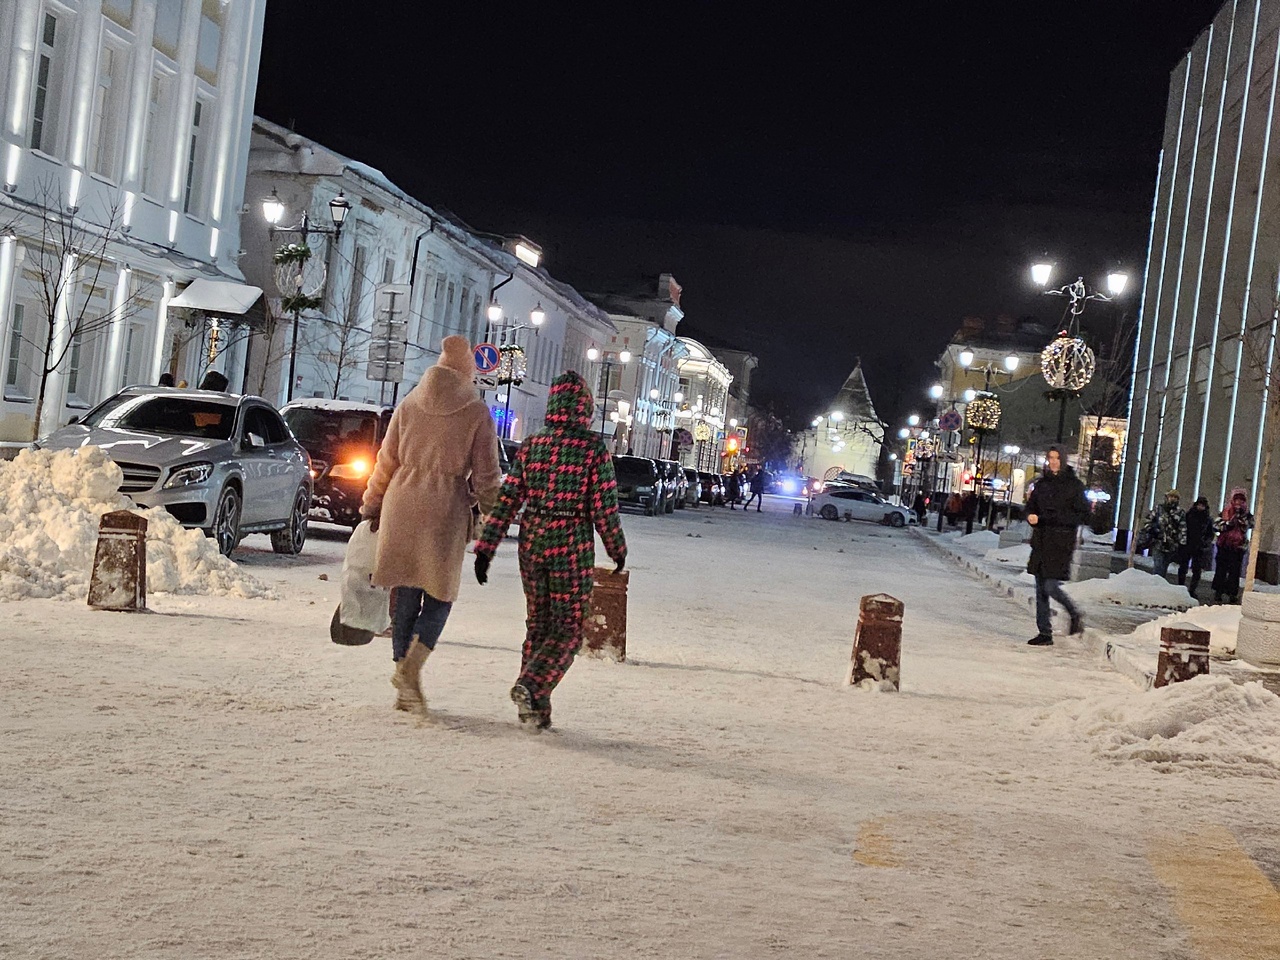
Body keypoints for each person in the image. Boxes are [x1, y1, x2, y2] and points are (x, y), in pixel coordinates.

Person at [474, 371, 626, 730]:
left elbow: (509, 498)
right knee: (569, 628)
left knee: (538, 624)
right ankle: (533, 684)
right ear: (584, 408)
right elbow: (604, 508)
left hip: (532, 539)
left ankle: (534, 710)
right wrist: (616, 548)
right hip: (570, 542)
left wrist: (486, 547)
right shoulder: (592, 450)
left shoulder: (532, 445)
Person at [360, 336, 502, 713]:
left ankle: (401, 679)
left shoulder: (409, 405)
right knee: (440, 595)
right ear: (468, 372)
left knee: (405, 592)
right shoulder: (477, 413)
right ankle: (411, 671)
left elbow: (385, 461)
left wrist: (372, 503)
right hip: (445, 509)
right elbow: (487, 478)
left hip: (400, 503)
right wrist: (495, 514)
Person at [1024, 447, 1089, 646]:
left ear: (1063, 459)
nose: (1053, 462)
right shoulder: (1041, 484)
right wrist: (1030, 516)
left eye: (1057, 458)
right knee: (1040, 589)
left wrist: (1046, 517)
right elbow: (1031, 506)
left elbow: (1082, 514)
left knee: (1050, 586)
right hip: (1041, 540)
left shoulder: (1074, 486)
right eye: (1050, 458)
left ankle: (1074, 612)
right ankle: (1044, 632)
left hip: (1060, 542)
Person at [1211, 487, 1255, 604]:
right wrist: (1227, 525)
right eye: (1237, 499)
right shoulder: (1226, 511)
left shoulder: (1246, 514)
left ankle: (1232, 593)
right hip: (1224, 545)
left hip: (1238, 548)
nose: (1239, 503)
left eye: (1241, 500)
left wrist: (1242, 519)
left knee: (1234, 572)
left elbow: (1251, 524)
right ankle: (1218, 591)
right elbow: (1215, 525)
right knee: (1221, 570)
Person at [1141, 489, 1187, 579]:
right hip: (1158, 542)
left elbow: (1183, 528)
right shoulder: (1159, 509)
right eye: (1171, 496)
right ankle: (1155, 586)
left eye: (1175, 497)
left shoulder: (1180, 512)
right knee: (1158, 567)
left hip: (1171, 545)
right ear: (1167, 497)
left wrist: (1181, 543)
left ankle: (1160, 587)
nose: (1172, 499)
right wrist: (1153, 530)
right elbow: (1147, 521)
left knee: (1164, 568)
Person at [1178, 495, 1213, 597]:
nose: (1200, 507)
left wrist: (1205, 543)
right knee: (1183, 567)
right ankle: (1181, 587)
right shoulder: (1189, 515)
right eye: (1199, 505)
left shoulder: (1207, 519)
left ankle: (1192, 590)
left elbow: (1210, 534)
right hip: (1188, 545)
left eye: (1202, 505)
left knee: (1196, 570)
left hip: (1199, 547)